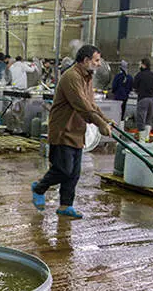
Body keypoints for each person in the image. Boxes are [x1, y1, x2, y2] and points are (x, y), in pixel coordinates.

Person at [30, 45, 114, 220]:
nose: (99, 64)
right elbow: (82, 105)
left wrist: (105, 119)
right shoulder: (71, 77)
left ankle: (65, 206)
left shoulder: (87, 77)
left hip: (77, 129)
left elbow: (91, 104)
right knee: (64, 169)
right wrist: (100, 124)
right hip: (63, 129)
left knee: (74, 173)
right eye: (96, 60)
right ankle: (39, 187)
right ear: (85, 61)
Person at [132, 58, 153, 141]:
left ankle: (142, 140)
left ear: (143, 65)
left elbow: (134, 87)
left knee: (141, 119)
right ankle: (147, 138)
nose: (139, 66)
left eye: (140, 64)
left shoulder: (139, 75)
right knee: (149, 119)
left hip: (143, 99)